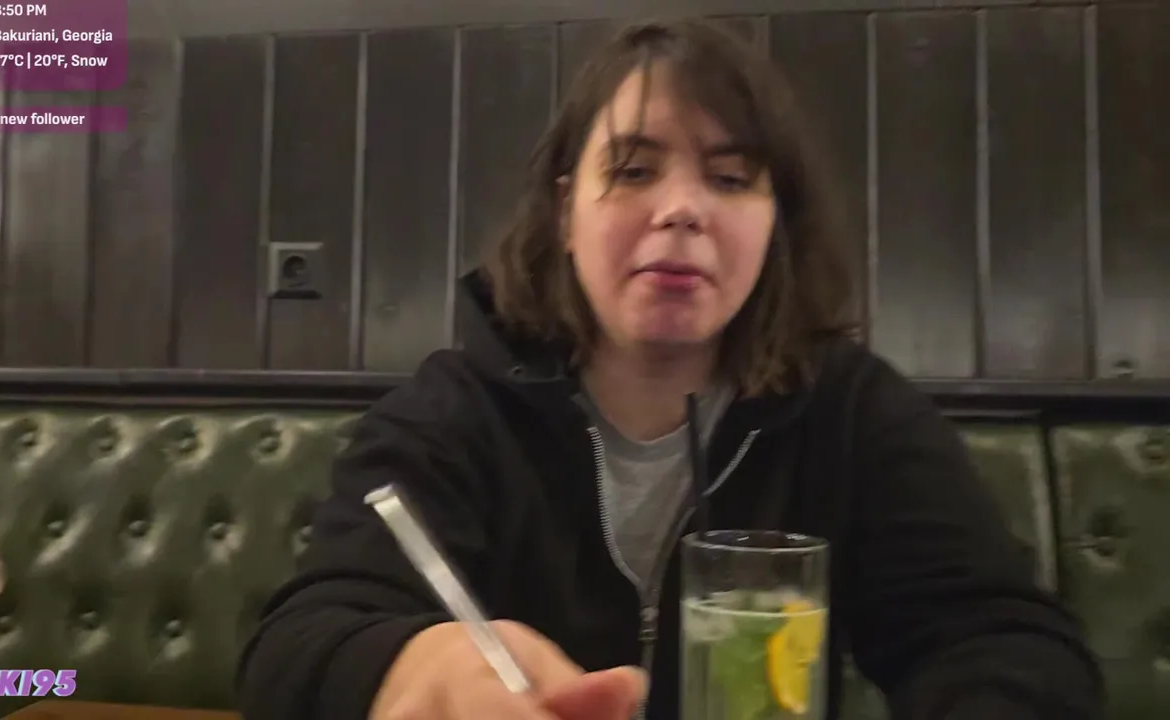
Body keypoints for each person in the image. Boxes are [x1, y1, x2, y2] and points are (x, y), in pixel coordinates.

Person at [237, 18, 1103, 720]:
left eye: (730, 179)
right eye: (633, 170)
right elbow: (298, 642)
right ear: (566, 211)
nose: (682, 209)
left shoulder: (850, 410)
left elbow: (999, 640)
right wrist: (412, 667)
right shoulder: (454, 412)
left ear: (774, 225)